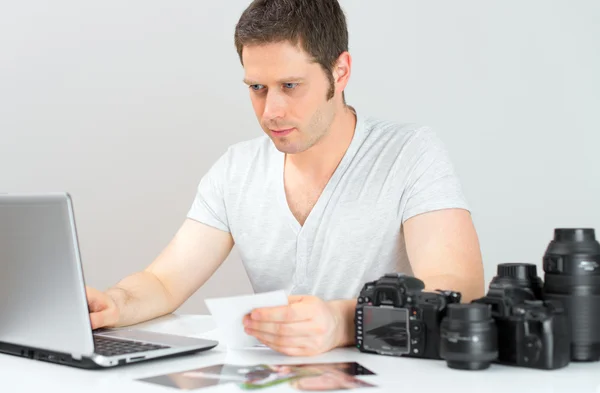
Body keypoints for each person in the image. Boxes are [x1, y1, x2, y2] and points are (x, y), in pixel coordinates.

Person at [86, 0, 484, 357]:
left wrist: (344, 322)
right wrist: (117, 303)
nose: (271, 111)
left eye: (290, 86)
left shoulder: (409, 153)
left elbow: (458, 288)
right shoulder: (236, 169)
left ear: (340, 71)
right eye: (257, 88)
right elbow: (163, 281)